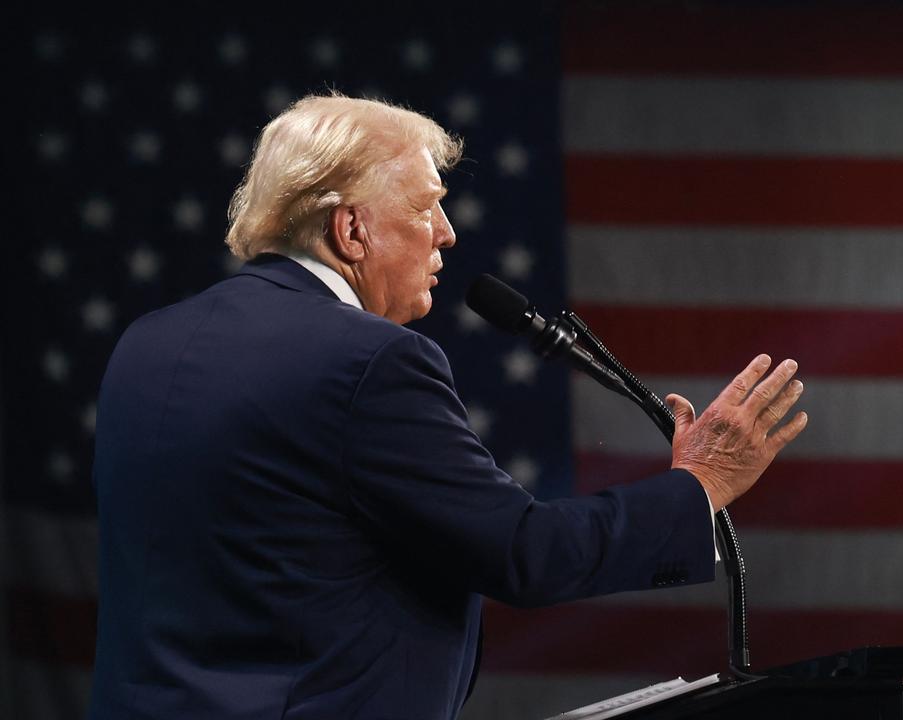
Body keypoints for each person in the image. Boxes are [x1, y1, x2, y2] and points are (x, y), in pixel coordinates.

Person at [87, 93, 807, 720]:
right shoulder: (366, 361)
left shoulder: (144, 348)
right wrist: (699, 486)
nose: (447, 234)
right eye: (426, 206)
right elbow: (524, 554)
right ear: (352, 230)